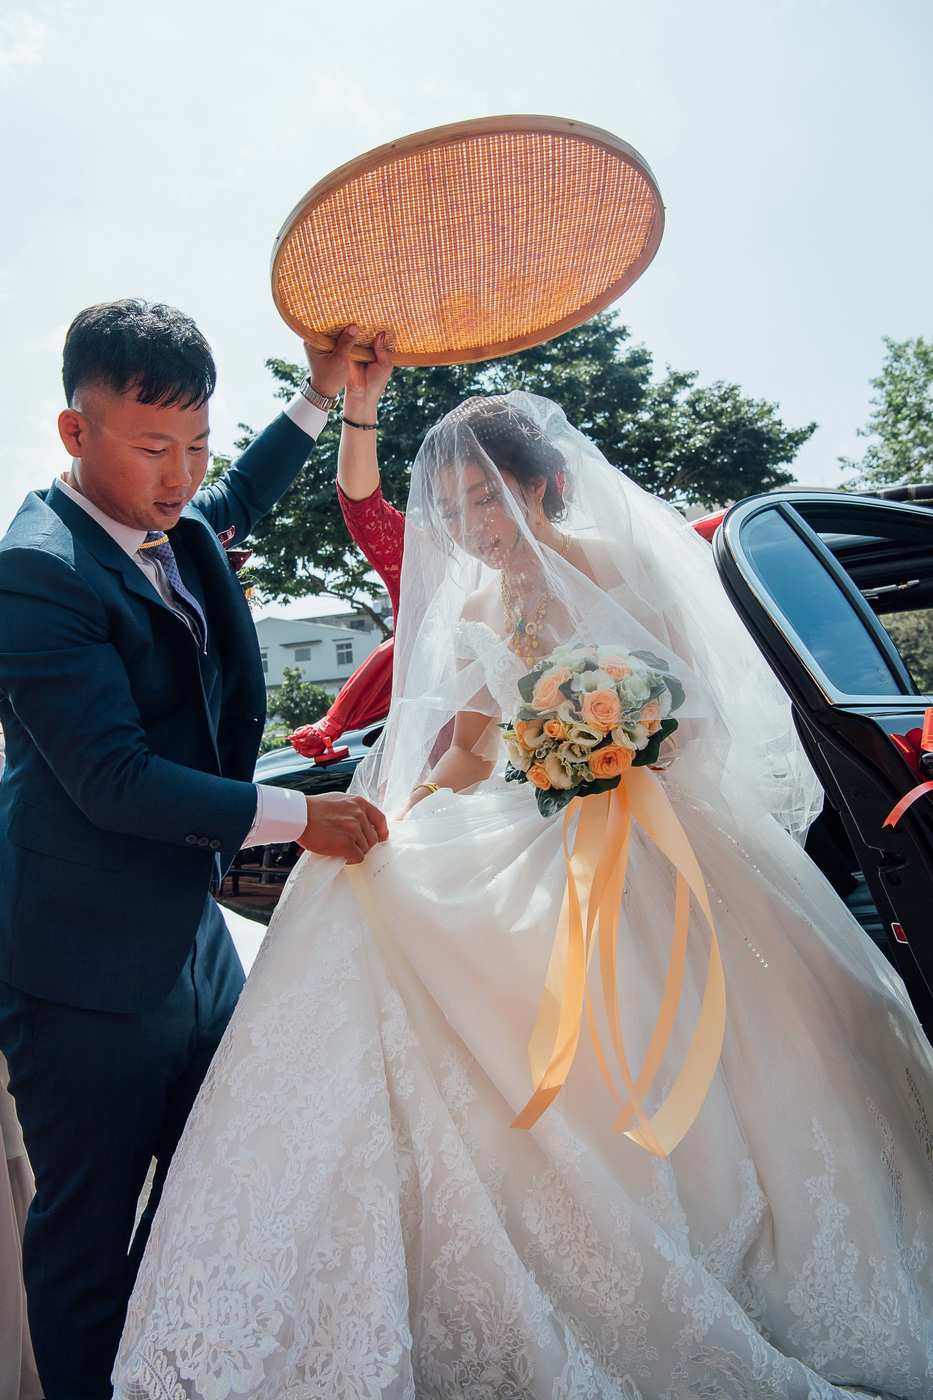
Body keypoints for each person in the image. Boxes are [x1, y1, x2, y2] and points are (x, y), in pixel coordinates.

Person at [114, 364, 932, 1398]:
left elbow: (702, 717)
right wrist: (413, 807)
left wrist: (621, 750)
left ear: (544, 485)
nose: (473, 530)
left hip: (659, 835)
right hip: (539, 822)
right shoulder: (479, 603)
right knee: (385, 904)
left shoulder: (626, 570)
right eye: (455, 512)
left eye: (487, 502)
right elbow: (470, 749)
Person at [0, 301, 387, 1400]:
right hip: (79, 964)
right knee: (88, 1237)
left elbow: (237, 497)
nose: (181, 477)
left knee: (217, 1186)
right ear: (76, 433)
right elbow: (114, 779)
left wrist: (319, 395)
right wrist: (300, 817)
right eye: (153, 447)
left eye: (198, 444)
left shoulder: (168, 518)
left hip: (194, 940)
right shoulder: (34, 572)